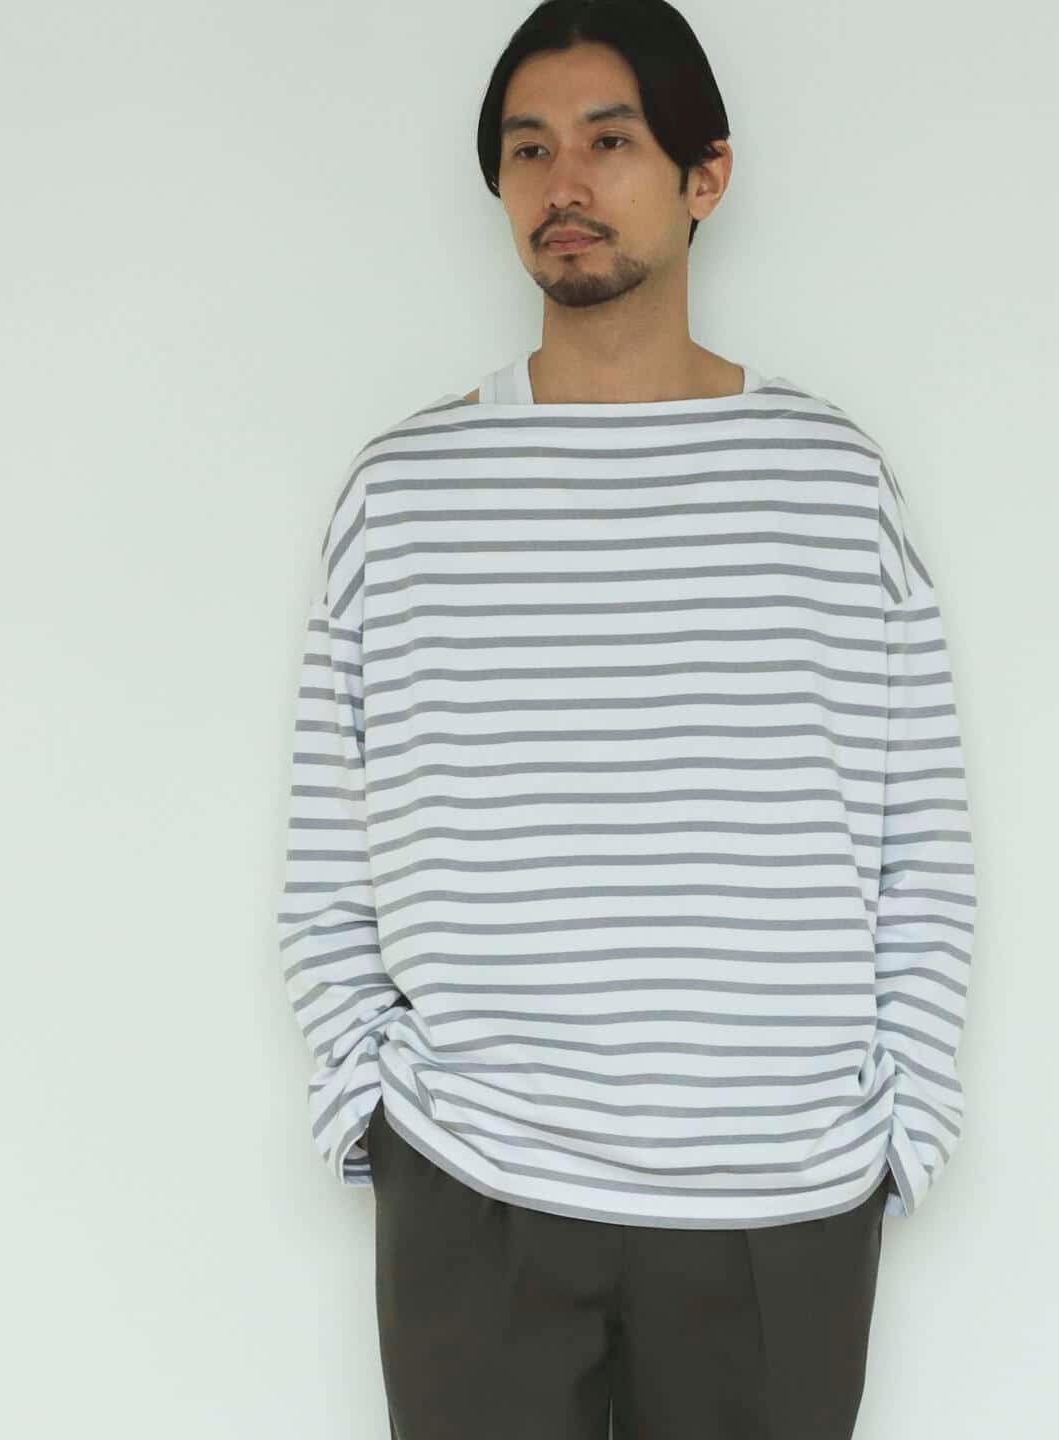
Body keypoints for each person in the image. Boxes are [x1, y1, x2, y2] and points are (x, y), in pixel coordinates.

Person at [275, 3, 978, 1436]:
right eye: (529, 149)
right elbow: (329, 841)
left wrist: (901, 1132)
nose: (566, 183)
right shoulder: (404, 495)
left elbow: (922, 842)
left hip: (781, 1197)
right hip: (477, 1190)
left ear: (705, 174)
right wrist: (372, 1115)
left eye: (611, 141)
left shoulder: (830, 484)